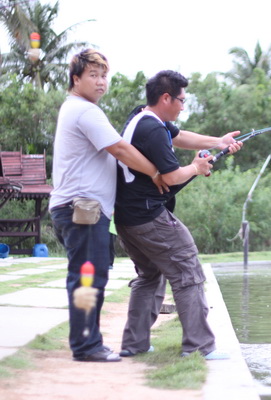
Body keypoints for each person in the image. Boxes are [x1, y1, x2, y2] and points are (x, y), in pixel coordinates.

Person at [50, 49, 168, 362]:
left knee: (89, 274)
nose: (101, 82)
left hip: (82, 208)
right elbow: (119, 149)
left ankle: (86, 343)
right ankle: (87, 346)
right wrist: (155, 172)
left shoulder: (77, 108)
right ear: (76, 79)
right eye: (93, 75)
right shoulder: (85, 111)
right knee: (88, 277)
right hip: (82, 209)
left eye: (104, 75)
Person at [114, 70, 242, 359]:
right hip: (148, 217)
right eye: (181, 101)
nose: (183, 106)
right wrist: (197, 168)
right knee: (189, 272)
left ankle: (135, 344)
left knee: (150, 275)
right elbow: (172, 177)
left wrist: (218, 143)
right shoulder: (154, 129)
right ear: (166, 98)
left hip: (127, 218)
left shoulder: (143, 118)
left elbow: (181, 136)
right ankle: (199, 347)